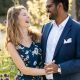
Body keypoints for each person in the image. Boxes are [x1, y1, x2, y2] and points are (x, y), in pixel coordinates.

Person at [41, 0, 80, 80]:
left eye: (49, 6)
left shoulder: (77, 29)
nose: (47, 10)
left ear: (60, 6)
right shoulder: (45, 28)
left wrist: (59, 68)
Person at [6, 5, 46, 80]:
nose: (28, 16)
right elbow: (24, 70)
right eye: (24, 14)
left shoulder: (37, 36)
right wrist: (49, 71)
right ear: (15, 20)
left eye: (28, 14)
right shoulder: (11, 44)